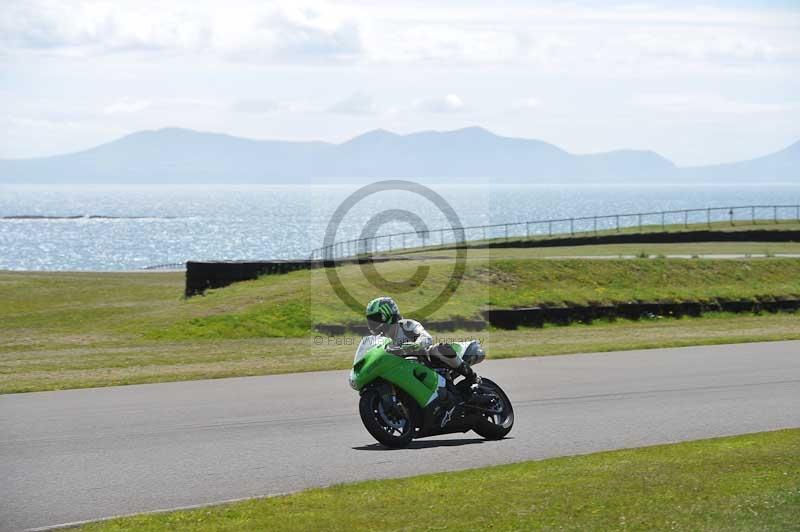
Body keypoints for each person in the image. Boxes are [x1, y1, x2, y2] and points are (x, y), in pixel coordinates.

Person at [365, 296, 478, 392]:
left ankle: (472, 377)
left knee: (440, 348)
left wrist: (417, 344)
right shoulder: (378, 339)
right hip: (401, 369)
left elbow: (426, 337)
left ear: (388, 315)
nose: (373, 323)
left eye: (376, 318)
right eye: (371, 320)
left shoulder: (406, 325)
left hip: (426, 363)